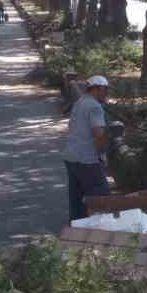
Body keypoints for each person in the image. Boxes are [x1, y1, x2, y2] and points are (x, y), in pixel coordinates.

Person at [63, 75, 112, 222]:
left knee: (77, 199)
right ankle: (101, 230)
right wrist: (102, 154)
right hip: (87, 160)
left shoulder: (80, 102)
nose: (106, 93)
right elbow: (99, 133)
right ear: (97, 89)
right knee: (100, 196)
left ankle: (77, 229)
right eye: (105, 90)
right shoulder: (95, 107)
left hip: (71, 157)